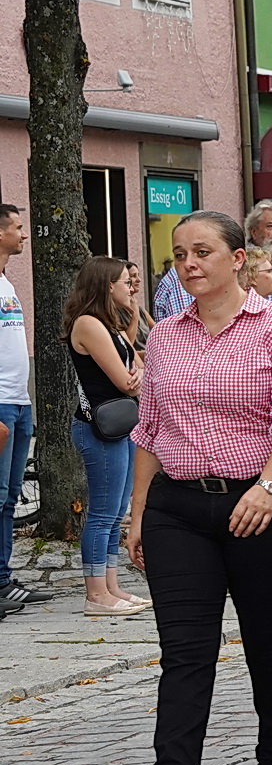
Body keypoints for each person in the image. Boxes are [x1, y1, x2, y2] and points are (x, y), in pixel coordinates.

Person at [116, 210, 272, 765]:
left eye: (201, 251)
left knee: (267, 639)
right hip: (179, 508)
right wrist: (139, 512)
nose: (188, 264)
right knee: (184, 651)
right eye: (179, 255)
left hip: (264, 506)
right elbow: (150, 431)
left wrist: (267, 487)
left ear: (238, 257)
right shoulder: (167, 337)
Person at [63, 257, 150, 617]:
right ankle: (95, 593)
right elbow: (127, 380)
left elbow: (138, 362)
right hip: (99, 426)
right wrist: (139, 372)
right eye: (122, 282)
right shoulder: (88, 324)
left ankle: (112, 586)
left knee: (116, 512)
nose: (129, 288)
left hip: (122, 423)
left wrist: (139, 366)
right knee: (102, 512)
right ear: (105, 286)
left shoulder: (109, 324)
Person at [0, 203, 45, 615]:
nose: (23, 233)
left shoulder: (6, 282)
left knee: (10, 496)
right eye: (17, 227)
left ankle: (4, 577)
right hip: (0, 403)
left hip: (18, 399)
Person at [122, 261, 155, 347]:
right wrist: (135, 315)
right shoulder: (115, 311)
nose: (139, 280)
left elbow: (159, 332)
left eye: (138, 275)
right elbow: (126, 347)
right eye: (133, 276)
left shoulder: (140, 310)